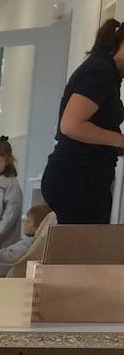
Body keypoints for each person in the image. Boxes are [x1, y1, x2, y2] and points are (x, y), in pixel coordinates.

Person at [41, 18, 124, 225]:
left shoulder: (105, 70)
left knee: (79, 252)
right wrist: (120, 140)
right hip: (78, 177)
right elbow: (71, 125)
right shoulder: (101, 71)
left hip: (79, 175)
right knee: (80, 253)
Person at [0, 203, 51, 278]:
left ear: (38, 226)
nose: (25, 223)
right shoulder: (36, 242)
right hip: (1, 267)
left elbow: (10, 256)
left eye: (28, 221)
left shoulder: (27, 244)